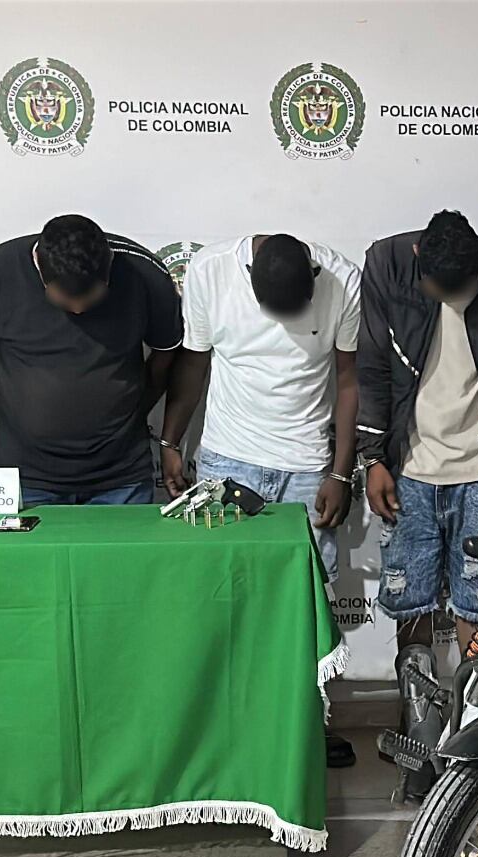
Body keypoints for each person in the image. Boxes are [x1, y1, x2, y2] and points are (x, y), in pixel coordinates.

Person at [158, 232, 360, 766]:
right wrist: (170, 441)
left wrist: (340, 472)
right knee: (221, 600)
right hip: (228, 459)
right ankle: (223, 733)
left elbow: (347, 380)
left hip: (306, 467)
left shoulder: (343, 281)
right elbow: (194, 364)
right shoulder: (210, 271)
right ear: (248, 281)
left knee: (306, 606)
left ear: (315, 279)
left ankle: (305, 729)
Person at [357, 210, 478, 768]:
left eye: (461, 290)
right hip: (409, 469)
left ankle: (471, 742)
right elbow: (371, 364)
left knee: (477, 603)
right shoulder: (389, 265)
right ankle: (420, 741)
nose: (452, 298)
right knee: (410, 599)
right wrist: (373, 458)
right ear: (420, 262)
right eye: (440, 291)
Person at [0, 215, 182, 505]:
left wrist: (133, 405)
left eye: (91, 298)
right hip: (26, 477)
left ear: (109, 265)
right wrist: (21, 395)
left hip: (122, 476)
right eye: (64, 300)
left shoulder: (144, 272)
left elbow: (166, 353)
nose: (77, 309)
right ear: (40, 273)